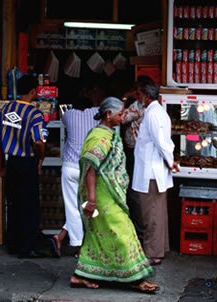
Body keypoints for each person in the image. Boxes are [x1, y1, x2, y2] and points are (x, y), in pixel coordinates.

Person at [70, 97, 157, 293]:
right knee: (124, 232)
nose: (123, 116)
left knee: (96, 234)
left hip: (108, 193)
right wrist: (91, 200)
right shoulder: (100, 137)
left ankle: (80, 275)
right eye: (120, 114)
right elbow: (91, 168)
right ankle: (135, 278)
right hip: (102, 195)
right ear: (108, 115)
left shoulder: (107, 133)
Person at [0, 75, 57, 258]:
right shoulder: (35, 114)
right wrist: (41, 159)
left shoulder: (7, 107)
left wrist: (10, 138)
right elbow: (39, 142)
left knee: (13, 203)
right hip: (27, 162)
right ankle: (26, 247)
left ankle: (13, 244)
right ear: (34, 91)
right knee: (29, 205)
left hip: (12, 161)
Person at [52, 87, 102, 257]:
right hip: (89, 168)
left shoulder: (69, 115)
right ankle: (86, 243)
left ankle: (76, 243)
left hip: (70, 167)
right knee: (89, 205)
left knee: (73, 207)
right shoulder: (96, 112)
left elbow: (62, 120)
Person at [132, 79, 178, 266]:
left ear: (146, 95)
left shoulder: (153, 114)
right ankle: (158, 248)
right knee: (156, 212)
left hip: (151, 172)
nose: (138, 98)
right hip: (152, 170)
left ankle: (153, 253)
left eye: (139, 94)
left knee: (151, 214)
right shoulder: (155, 112)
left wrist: (170, 161)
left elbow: (161, 142)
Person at [120, 76, 154, 241]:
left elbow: (120, 117)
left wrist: (125, 98)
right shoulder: (155, 106)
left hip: (135, 152)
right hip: (146, 152)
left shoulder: (138, 106)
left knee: (134, 191)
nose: (137, 94)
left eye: (138, 92)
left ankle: (139, 231)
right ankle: (143, 231)